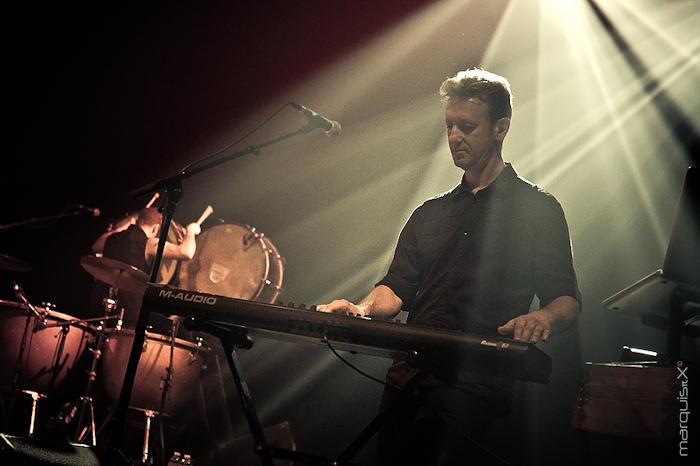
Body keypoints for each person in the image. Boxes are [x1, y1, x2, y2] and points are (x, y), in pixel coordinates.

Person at [318, 68, 581, 465]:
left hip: (475, 386)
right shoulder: (429, 213)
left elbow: (566, 298)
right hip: (407, 379)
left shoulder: (538, 210)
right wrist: (363, 309)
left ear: (500, 128)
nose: (454, 136)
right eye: (450, 126)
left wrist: (542, 316)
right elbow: (397, 285)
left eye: (467, 126)